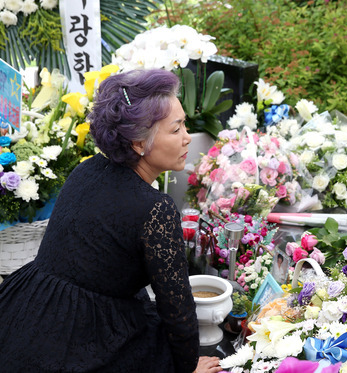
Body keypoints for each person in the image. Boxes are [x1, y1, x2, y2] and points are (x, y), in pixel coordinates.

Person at [0, 69, 222, 372]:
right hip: (83, 337)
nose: (187, 139)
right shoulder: (156, 209)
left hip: (29, 310)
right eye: (176, 129)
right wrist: (186, 367)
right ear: (138, 144)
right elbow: (178, 308)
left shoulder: (87, 170)